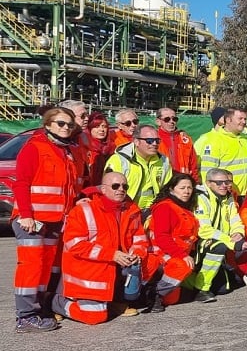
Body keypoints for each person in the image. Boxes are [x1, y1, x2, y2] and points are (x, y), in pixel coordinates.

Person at [11, 108, 84, 333]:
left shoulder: (68, 151)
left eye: (69, 125)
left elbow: (71, 188)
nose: (65, 128)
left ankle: (39, 309)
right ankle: (25, 317)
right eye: (60, 124)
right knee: (31, 267)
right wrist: (26, 215)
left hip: (54, 221)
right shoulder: (34, 148)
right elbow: (21, 183)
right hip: (32, 221)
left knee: (45, 269)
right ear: (49, 124)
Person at [52, 173, 149, 325]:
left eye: (125, 186)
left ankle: (113, 302)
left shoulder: (131, 211)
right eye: (115, 186)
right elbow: (74, 244)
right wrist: (112, 254)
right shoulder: (83, 210)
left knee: (144, 268)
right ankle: (56, 302)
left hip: (114, 269)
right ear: (103, 189)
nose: (121, 190)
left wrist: (137, 254)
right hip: (90, 273)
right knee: (95, 317)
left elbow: (140, 239)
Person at [142, 173, 200, 313]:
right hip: (162, 255)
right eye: (182, 188)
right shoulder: (165, 207)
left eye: (189, 188)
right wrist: (182, 255)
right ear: (172, 189)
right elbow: (162, 237)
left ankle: (157, 292)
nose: (186, 191)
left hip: (173, 253)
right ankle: (154, 293)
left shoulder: (182, 207)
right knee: (183, 265)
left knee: (172, 300)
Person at [191, 168, 245, 303]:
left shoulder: (228, 196)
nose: (224, 186)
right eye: (219, 183)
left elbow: (235, 219)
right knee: (218, 247)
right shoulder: (201, 197)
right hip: (199, 242)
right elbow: (204, 230)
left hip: (222, 240)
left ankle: (197, 281)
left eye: (227, 182)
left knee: (225, 289)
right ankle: (201, 289)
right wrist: (230, 241)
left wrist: (238, 233)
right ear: (208, 183)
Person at [105, 125, 171, 214]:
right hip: (125, 211)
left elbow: (167, 189)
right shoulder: (119, 160)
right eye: (149, 141)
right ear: (136, 142)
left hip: (153, 212)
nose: (155, 144)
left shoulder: (164, 161)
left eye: (157, 141)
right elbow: (109, 191)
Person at [195, 107, 247, 197]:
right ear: (228, 120)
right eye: (240, 119)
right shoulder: (215, 140)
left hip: (246, 194)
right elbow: (208, 171)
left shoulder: (246, 139)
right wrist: (212, 194)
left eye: (245, 119)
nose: (244, 122)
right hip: (226, 194)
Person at [156, 107, 199, 182]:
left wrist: (195, 183)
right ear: (158, 121)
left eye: (174, 119)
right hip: (162, 182)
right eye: (167, 119)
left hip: (182, 183)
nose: (171, 121)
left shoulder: (185, 139)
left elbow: (193, 165)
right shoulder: (153, 139)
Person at [83, 111, 115, 188]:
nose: (102, 130)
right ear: (89, 128)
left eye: (104, 126)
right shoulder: (85, 148)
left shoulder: (112, 147)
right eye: (97, 126)